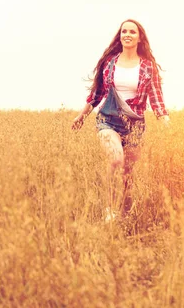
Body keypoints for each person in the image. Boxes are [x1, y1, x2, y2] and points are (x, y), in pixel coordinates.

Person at [72, 19, 170, 222]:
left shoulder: (148, 67)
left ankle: (124, 215)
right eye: (124, 31)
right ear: (120, 36)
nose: (127, 34)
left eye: (132, 32)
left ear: (139, 37)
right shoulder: (110, 63)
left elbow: (156, 97)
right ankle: (109, 209)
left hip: (135, 125)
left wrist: (165, 120)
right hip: (108, 120)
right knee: (116, 159)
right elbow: (97, 94)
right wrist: (82, 115)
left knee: (127, 174)